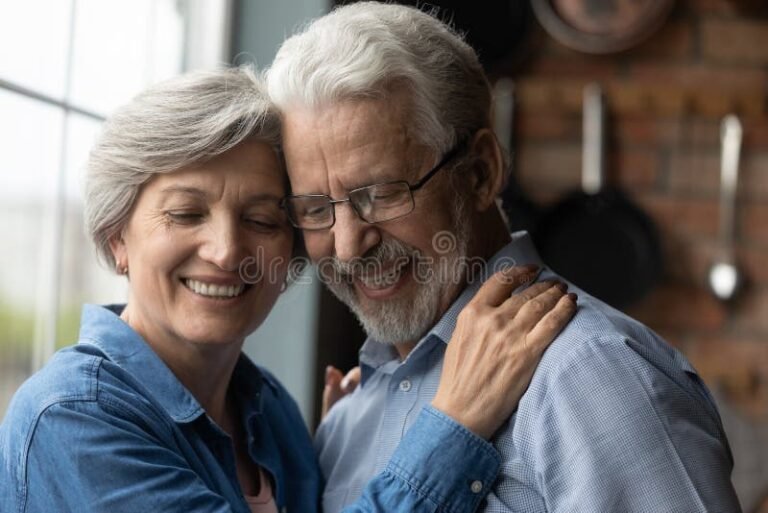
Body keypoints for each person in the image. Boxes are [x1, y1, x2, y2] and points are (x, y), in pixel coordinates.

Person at [0, 67, 577, 513]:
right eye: (185, 214)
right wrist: (453, 425)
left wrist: (345, 449)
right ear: (116, 239)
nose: (226, 251)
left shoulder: (270, 410)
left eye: (262, 219)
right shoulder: (71, 417)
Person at [265, 2, 742, 512]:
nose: (346, 244)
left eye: (381, 194)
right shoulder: (345, 420)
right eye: (316, 209)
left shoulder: (591, 376)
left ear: (480, 174)